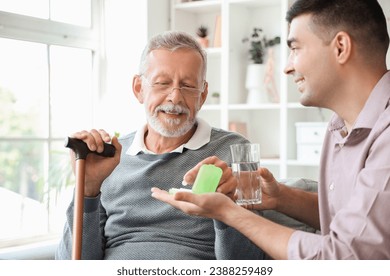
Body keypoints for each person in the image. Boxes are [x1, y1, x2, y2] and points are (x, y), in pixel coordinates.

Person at [152, 0, 390, 259]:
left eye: (295, 49)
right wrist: (281, 197)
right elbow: (347, 216)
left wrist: (229, 213)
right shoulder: (339, 127)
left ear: (341, 47)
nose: (287, 67)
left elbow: (344, 259)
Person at [55, 30, 264, 260]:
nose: (175, 97)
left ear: (202, 95)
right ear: (138, 88)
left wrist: (228, 210)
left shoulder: (238, 152)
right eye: (162, 83)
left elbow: (249, 266)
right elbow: (71, 264)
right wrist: (88, 189)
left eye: (188, 85)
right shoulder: (107, 157)